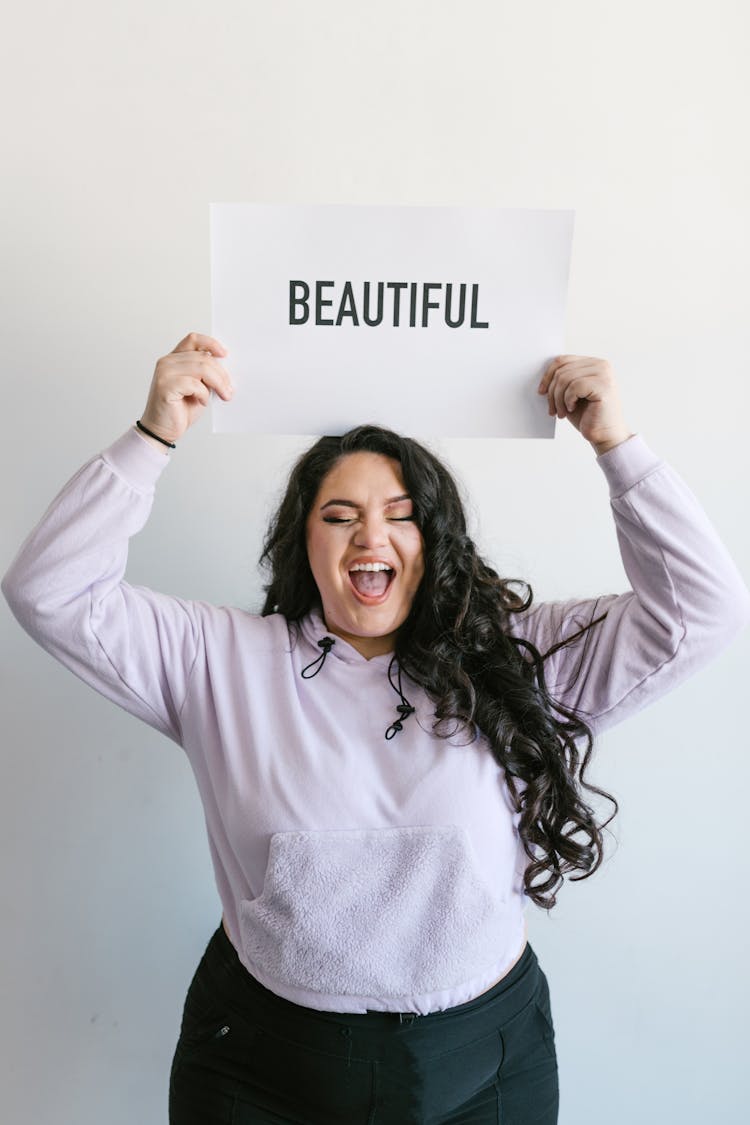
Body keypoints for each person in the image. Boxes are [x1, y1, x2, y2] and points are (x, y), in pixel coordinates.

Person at [3, 332, 748, 1125]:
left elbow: (701, 609)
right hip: (263, 1056)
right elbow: (50, 589)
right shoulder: (216, 657)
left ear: (434, 539)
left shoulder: (521, 658)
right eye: (340, 515)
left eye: (401, 515)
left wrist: (616, 446)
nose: (371, 537)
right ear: (305, 541)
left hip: (482, 1059)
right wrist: (152, 437)